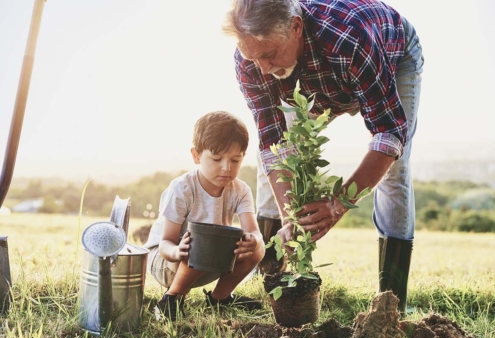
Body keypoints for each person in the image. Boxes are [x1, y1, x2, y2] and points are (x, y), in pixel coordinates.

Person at [222, 0, 424, 315]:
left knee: (394, 170)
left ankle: (391, 303)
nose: (261, 68)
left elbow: (389, 133)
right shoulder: (251, 61)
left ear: (296, 28)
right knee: (277, 163)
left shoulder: (350, 38)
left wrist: (337, 204)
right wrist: (291, 216)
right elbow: (273, 142)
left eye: (269, 54)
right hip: (318, 80)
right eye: (252, 57)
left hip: (389, 57)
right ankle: (272, 278)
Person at [143, 111, 265, 320]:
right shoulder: (182, 188)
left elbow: (254, 232)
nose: (226, 168)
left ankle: (219, 298)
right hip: (168, 262)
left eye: (235, 160)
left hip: (210, 259)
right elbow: (165, 244)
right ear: (196, 155)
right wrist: (178, 251)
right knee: (202, 243)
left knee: (258, 247)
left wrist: (253, 241)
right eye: (217, 159)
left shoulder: (240, 190)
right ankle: (170, 300)